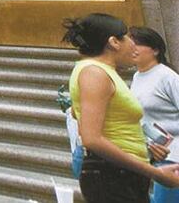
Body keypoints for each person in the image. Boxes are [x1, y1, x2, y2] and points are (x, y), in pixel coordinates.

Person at [64, 14, 179, 201]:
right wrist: (155, 173)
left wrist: (145, 146)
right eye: (126, 37)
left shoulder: (103, 72)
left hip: (122, 174)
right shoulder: (95, 73)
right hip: (112, 175)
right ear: (114, 42)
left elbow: (84, 117)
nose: (132, 45)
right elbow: (91, 138)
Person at [131, 26, 179, 203]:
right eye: (130, 43)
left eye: (138, 44)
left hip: (173, 156)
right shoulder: (137, 76)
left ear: (156, 49)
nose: (132, 48)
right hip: (151, 155)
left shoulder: (167, 77)